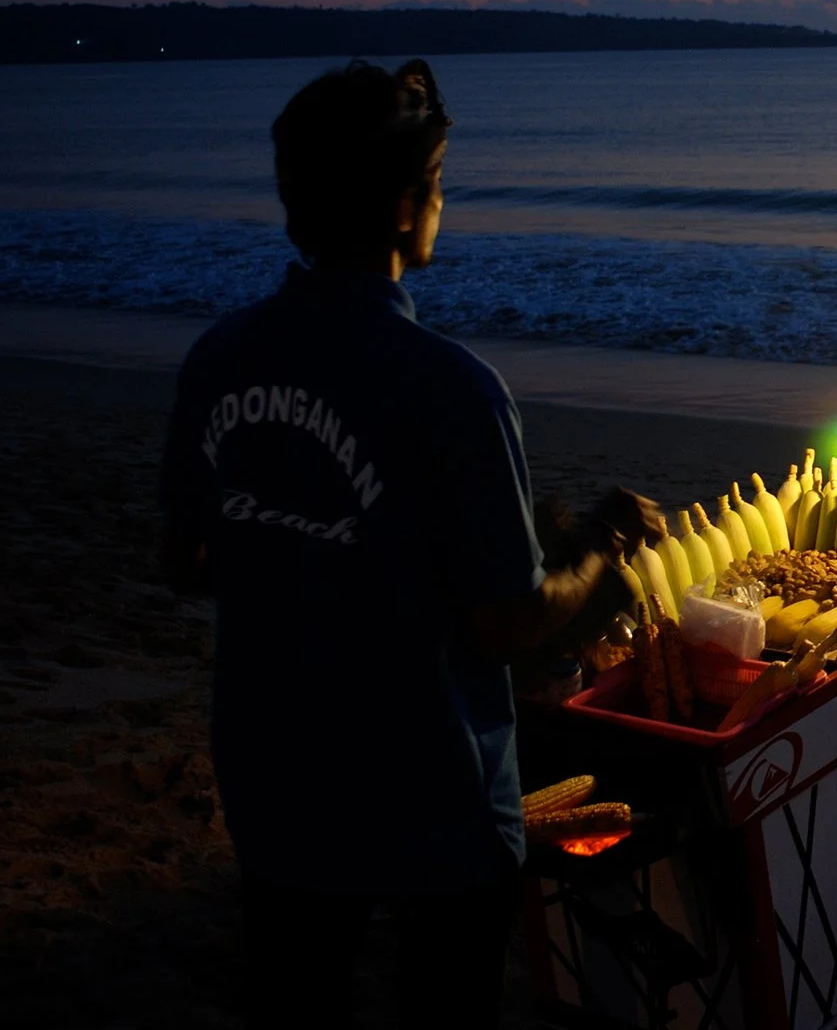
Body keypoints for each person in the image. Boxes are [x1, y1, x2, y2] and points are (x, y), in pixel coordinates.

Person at [159, 59, 660, 1029]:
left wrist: (309, 547)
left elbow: (185, 560)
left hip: (274, 780)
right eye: (435, 185)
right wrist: (600, 552)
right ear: (402, 204)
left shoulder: (219, 360)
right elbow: (507, 619)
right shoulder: (450, 390)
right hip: (431, 796)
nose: (441, 204)